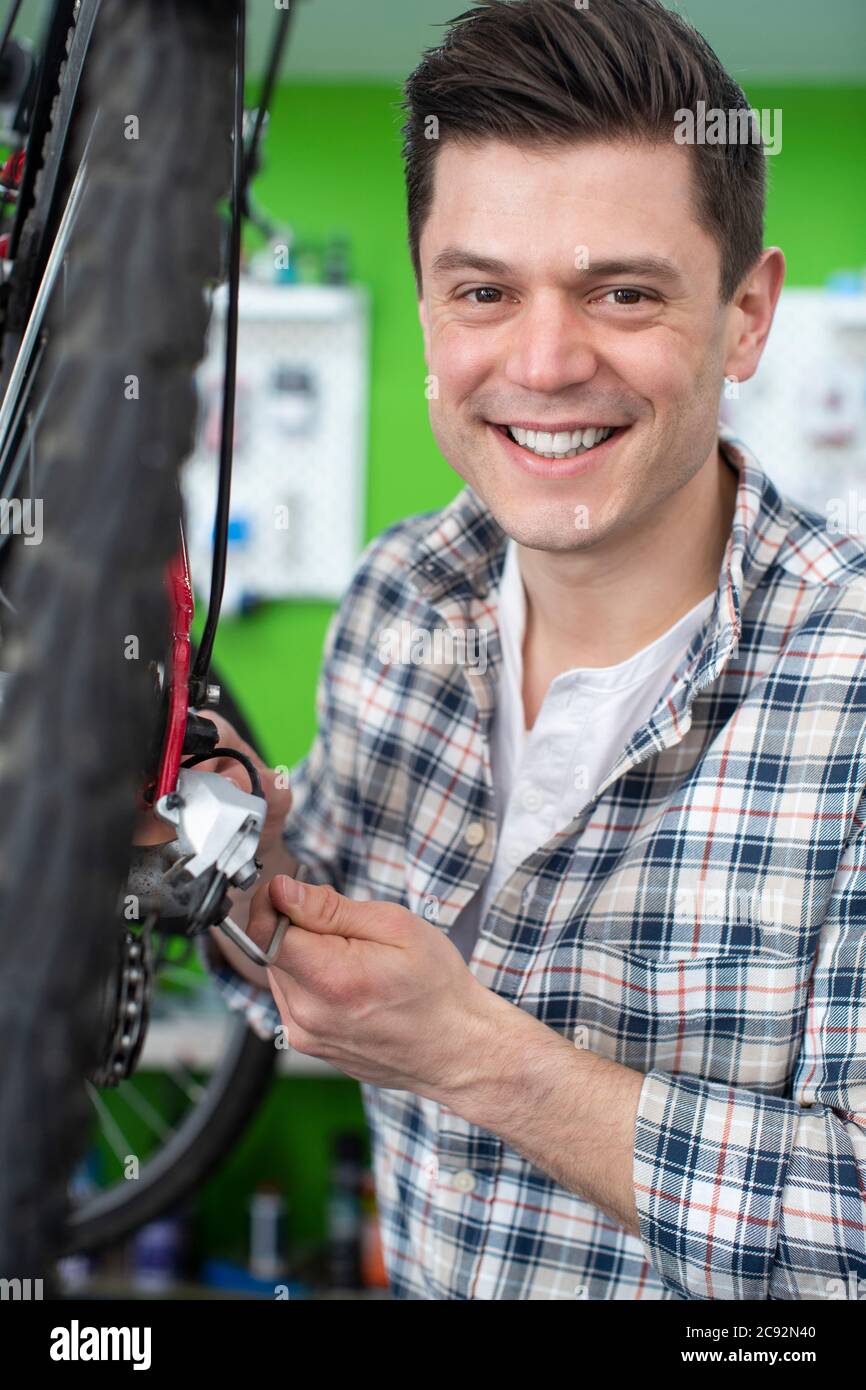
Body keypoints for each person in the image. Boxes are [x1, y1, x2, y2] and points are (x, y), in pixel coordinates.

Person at [198, 0, 866, 1300]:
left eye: (621, 292)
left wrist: (476, 1053)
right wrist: (227, 863)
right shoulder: (398, 594)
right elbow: (311, 983)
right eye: (483, 292)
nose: (544, 362)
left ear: (744, 315)